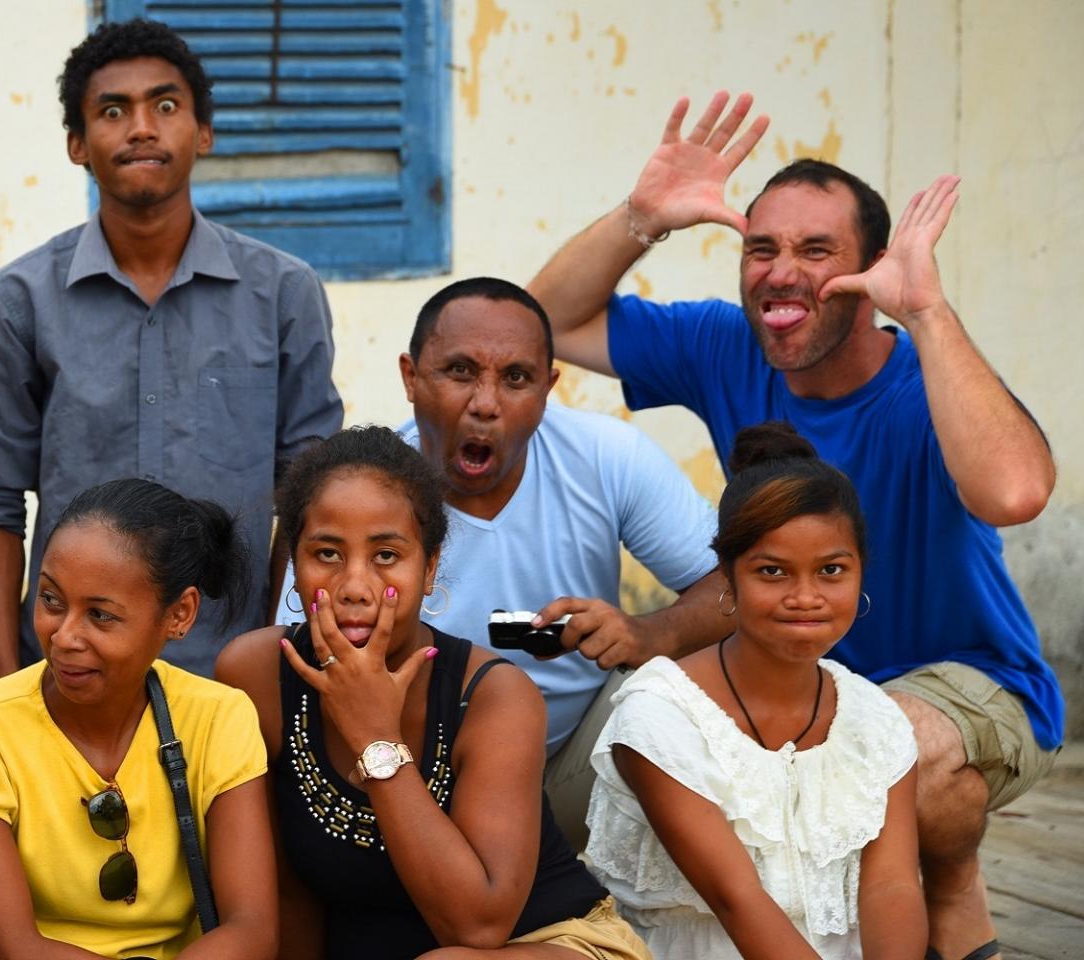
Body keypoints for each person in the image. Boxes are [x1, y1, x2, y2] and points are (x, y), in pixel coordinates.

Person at [527, 91, 1060, 960]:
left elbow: (1016, 493)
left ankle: (952, 880)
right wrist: (643, 218)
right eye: (761, 248)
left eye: (817, 250)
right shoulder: (721, 345)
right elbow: (537, 325)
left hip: (971, 677)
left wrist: (925, 311)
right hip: (791, 673)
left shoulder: (927, 380)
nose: (781, 271)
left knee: (884, 760)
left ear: (875, 267)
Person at [0, 18, 344, 682]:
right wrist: (4, 681)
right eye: (112, 110)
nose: (141, 127)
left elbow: (308, 498)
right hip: (65, 670)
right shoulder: (15, 303)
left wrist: (277, 653)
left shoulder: (285, 294)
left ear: (204, 131)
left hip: (234, 672)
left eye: (165, 105)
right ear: (77, 143)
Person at [274, 277, 726, 849]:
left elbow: (735, 584)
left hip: (563, 768)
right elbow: (294, 657)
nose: (485, 403)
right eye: (460, 371)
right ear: (411, 377)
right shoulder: (360, 493)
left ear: (548, 389)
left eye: (516, 378)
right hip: (393, 774)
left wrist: (647, 632)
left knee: (665, 695)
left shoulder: (606, 457)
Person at [218, 427, 647, 960]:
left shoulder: (493, 696)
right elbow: (286, 893)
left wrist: (374, 736)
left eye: (386, 555)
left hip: (540, 942)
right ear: (294, 567)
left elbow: (478, 928)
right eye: (326, 553)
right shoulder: (257, 674)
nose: (354, 585)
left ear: (430, 568)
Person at [587, 423, 926, 957]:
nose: (806, 596)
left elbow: (895, 886)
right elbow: (735, 899)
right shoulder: (660, 715)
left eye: (832, 570)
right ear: (728, 577)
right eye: (773, 572)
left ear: (861, 572)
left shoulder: (875, 720)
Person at [0, 479, 277, 960]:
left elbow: (252, 928)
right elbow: (15, 945)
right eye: (51, 600)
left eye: (100, 615)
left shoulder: (220, 719)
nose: (65, 637)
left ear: (179, 614)